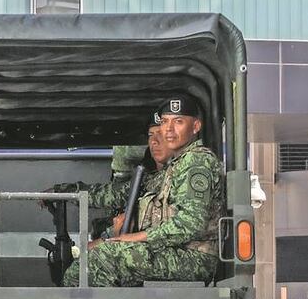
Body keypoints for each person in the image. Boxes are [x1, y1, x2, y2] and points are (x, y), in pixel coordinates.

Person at [60, 95, 224, 287]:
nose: (169, 130)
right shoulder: (174, 166)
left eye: (178, 122)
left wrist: (136, 237)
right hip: (175, 251)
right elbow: (114, 194)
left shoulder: (196, 161)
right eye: (164, 122)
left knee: (101, 258)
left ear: (195, 127)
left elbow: (190, 223)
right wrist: (64, 191)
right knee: (92, 260)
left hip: (193, 258)